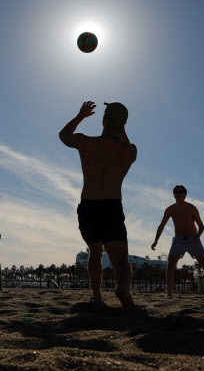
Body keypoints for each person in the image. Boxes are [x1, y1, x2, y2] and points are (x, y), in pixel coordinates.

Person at [59, 101, 137, 307]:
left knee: (94, 251)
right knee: (120, 261)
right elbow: (126, 143)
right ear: (123, 125)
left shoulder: (86, 143)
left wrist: (81, 115)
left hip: (88, 206)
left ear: (103, 120)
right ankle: (123, 290)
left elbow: (63, 135)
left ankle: (97, 296)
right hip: (112, 206)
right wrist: (120, 124)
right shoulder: (128, 151)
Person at [151, 185, 204, 299]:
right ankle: (169, 294)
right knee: (170, 266)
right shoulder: (170, 209)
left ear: (185, 194)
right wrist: (155, 241)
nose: (178, 194)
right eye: (175, 192)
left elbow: (201, 226)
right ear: (173, 194)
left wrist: (198, 236)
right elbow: (161, 225)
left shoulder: (191, 208)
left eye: (180, 192)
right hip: (178, 240)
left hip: (193, 239)